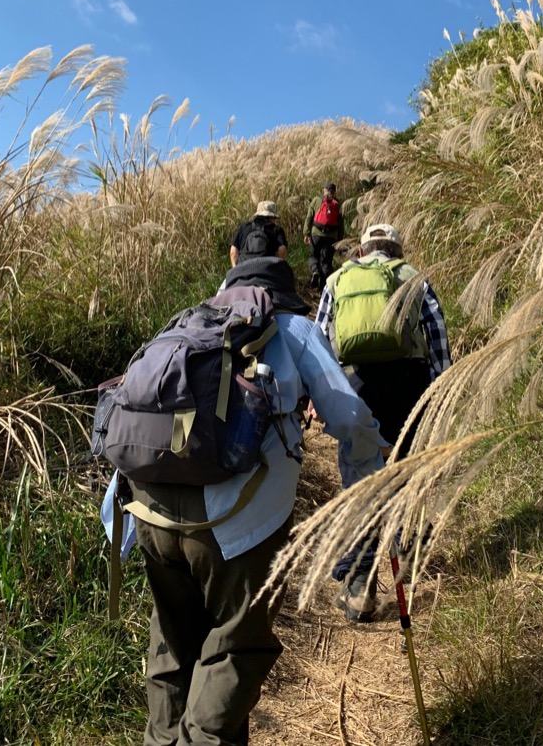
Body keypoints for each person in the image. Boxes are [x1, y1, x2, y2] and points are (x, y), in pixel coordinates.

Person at [103, 257, 385, 746]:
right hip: (235, 523)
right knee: (234, 652)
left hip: (147, 511)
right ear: (283, 295)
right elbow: (349, 416)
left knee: (172, 649)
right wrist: (371, 477)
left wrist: (121, 522)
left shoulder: (185, 322)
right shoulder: (293, 328)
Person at [314, 223, 452, 622]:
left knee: (361, 483)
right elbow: (437, 336)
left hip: (356, 387)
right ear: (396, 250)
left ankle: (359, 589)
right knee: (407, 471)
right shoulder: (413, 278)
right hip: (409, 385)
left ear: (361, 250)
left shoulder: (338, 280)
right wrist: (439, 392)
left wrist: (324, 401)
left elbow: (322, 342)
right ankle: (407, 550)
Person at [303, 182, 344, 288]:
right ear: (334, 192)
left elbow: (309, 218)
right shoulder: (338, 204)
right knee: (327, 262)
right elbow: (341, 224)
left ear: (323, 190)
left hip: (316, 234)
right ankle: (323, 288)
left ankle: (315, 270)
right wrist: (340, 240)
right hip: (331, 237)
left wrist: (306, 233)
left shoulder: (316, 200)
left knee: (313, 255)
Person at [229, 200, 288, 266]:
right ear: (272, 217)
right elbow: (282, 250)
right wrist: (277, 267)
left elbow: (233, 252)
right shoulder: (276, 229)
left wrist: (236, 269)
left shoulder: (244, 227)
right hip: (267, 268)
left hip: (243, 268)